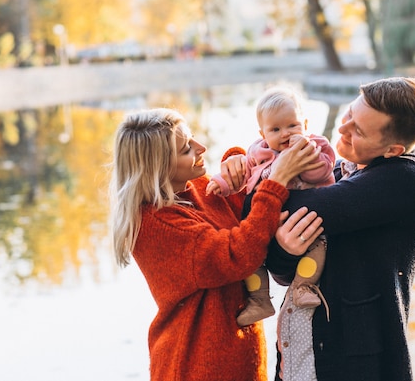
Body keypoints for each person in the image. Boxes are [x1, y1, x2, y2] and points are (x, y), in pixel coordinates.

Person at [108, 108, 325, 381]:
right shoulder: (157, 223)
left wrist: (239, 164)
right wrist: (277, 180)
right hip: (196, 363)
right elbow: (237, 254)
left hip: (236, 357)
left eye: (193, 138)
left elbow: (244, 214)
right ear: (158, 167)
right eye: (187, 149)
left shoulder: (195, 188)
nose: (201, 148)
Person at [265, 77, 415, 381]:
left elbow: (271, 208)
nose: (342, 128)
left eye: (357, 130)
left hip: (354, 362)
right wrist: (284, 247)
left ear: (393, 149)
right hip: (299, 350)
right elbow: (281, 271)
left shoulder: (406, 180)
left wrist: (270, 181)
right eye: (348, 114)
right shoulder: (335, 173)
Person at [207, 86, 336, 327]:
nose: (286, 134)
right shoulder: (259, 151)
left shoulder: (317, 145)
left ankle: (303, 287)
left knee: (318, 248)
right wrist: (221, 183)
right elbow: (244, 172)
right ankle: (259, 301)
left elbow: (323, 171)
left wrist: (302, 151)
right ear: (262, 133)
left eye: (293, 126)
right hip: (266, 220)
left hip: (305, 221)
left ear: (305, 124)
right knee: (250, 257)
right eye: (275, 129)